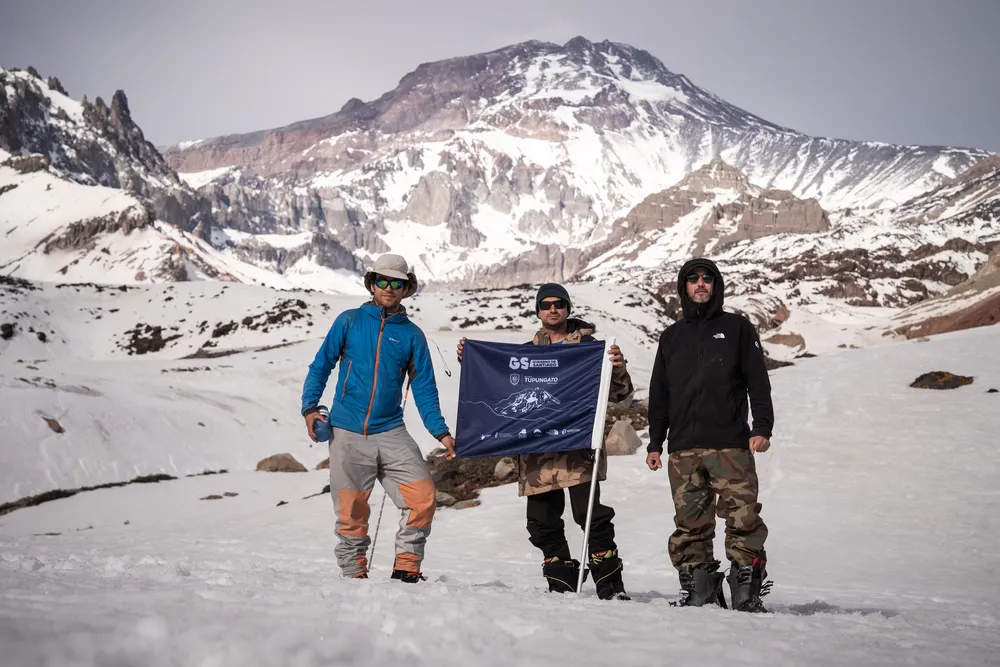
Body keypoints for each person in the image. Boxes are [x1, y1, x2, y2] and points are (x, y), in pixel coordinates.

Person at [456, 283, 634, 600]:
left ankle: (610, 585)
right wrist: (470, 360)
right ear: (538, 310)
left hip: (578, 445)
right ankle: (562, 585)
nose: (553, 309)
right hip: (538, 451)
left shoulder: (591, 347)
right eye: (546, 304)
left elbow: (619, 393)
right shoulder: (526, 352)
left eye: (559, 303)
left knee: (589, 514)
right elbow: (499, 386)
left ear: (568, 309)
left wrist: (617, 368)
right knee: (541, 521)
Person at [301, 253, 456, 583]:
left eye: (396, 283)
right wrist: (310, 407)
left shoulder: (412, 335)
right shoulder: (349, 321)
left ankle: (407, 567)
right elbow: (322, 364)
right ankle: (353, 573)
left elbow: (424, 388)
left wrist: (441, 433)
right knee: (351, 511)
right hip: (346, 430)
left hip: (391, 430)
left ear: (405, 289)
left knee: (424, 497)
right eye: (382, 281)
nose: (389, 288)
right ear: (372, 284)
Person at [645, 257, 775, 612]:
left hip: (730, 444)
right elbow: (660, 394)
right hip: (684, 449)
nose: (700, 284)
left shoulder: (737, 328)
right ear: (683, 287)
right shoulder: (671, 336)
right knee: (690, 524)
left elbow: (757, 383)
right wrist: (655, 442)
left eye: (707, 278)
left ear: (716, 285)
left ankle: (746, 595)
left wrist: (762, 427)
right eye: (693, 279)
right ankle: (699, 592)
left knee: (743, 520)